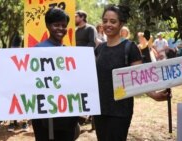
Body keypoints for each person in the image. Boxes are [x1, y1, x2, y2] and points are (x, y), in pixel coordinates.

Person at [94, 4, 169, 141]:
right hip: (99, 108)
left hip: (120, 110)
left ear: (121, 23)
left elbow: (139, 78)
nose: (108, 25)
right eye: (105, 21)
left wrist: (154, 95)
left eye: (113, 21)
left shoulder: (130, 47)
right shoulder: (100, 48)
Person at [32, 7, 79, 141]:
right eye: (56, 25)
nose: (60, 28)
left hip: (66, 114)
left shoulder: (71, 54)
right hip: (43, 115)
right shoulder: (37, 50)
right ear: (48, 25)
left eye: (64, 26)